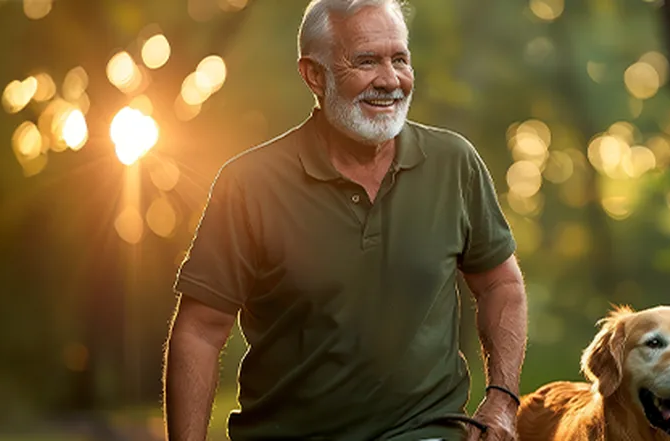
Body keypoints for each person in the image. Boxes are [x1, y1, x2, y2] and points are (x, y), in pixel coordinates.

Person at [161, 0, 528, 440]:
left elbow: (501, 285)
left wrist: (502, 399)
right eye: (367, 61)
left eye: (400, 59)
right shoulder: (248, 184)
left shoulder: (454, 163)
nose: (390, 80)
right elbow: (200, 332)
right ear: (314, 75)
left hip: (425, 432)